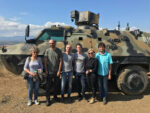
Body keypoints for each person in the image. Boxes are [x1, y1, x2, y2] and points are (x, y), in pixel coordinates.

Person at [44, 39, 62, 106]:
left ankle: (55, 97)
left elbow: (60, 61)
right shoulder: (47, 51)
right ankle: (48, 99)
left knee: (56, 85)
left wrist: (59, 71)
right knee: (48, 86)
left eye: (53, 43)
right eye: (50, 43)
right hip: (49, 71)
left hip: (56, 71)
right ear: (49, 44)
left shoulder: (58, 51)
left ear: (55, 43)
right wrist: (46, 70)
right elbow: (45, 61)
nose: (51, 44)